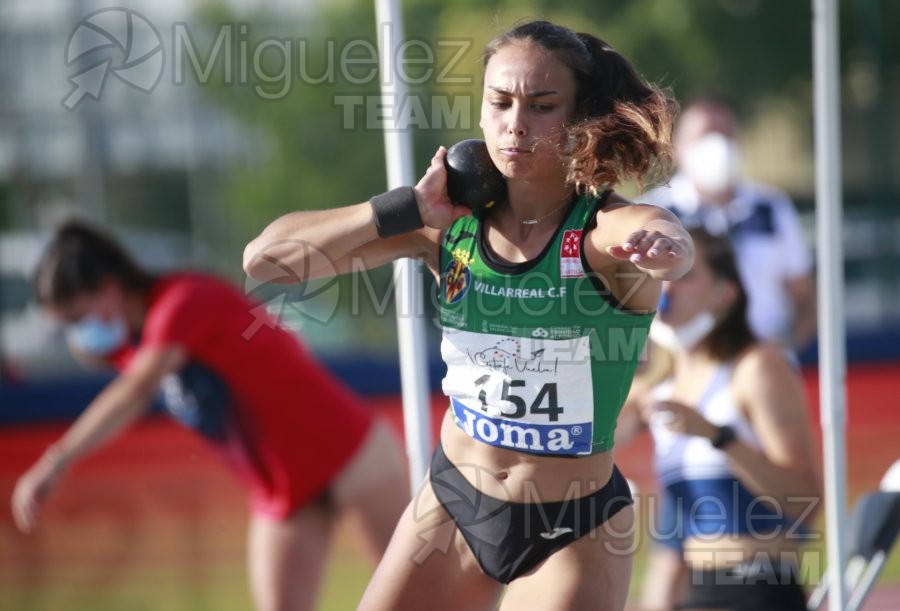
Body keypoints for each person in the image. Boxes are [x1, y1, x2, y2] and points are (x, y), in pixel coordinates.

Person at [244, 20, 693, 611]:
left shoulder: (600, 232)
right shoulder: (445, 226)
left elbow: (660, 235)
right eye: (500, 102)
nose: (516, 124)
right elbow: (267, 261)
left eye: (542, 105)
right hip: (453, 502)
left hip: (571, 524)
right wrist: (404, 207)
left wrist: (662, 245)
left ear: (579, 117)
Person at [11, 220, 408, 611]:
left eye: (77, 319)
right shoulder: (131, 346)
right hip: (284, 488)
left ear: (110, 287)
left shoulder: (182, 302)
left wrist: (55, 461)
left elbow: (135, 390)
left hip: (351, 456)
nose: (77, 335)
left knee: (411, 601)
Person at [617, 229, 820, 610]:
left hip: (758, 585)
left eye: (686, 276)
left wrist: (718, 436)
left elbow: (805, 500)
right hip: (697, 587)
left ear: (725, 293)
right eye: (661, 278)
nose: (669, 290)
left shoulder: (756, 367)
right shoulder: (660, 382)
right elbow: (600, 434)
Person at [643, 97, 816, 353]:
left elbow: (805, 298)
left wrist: (781, 352)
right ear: (677, 147)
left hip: (762, 367)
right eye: (703, 135)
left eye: (725, 133)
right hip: (681, 373)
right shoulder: (652, 213)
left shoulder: (770, 208)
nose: (717, 145)